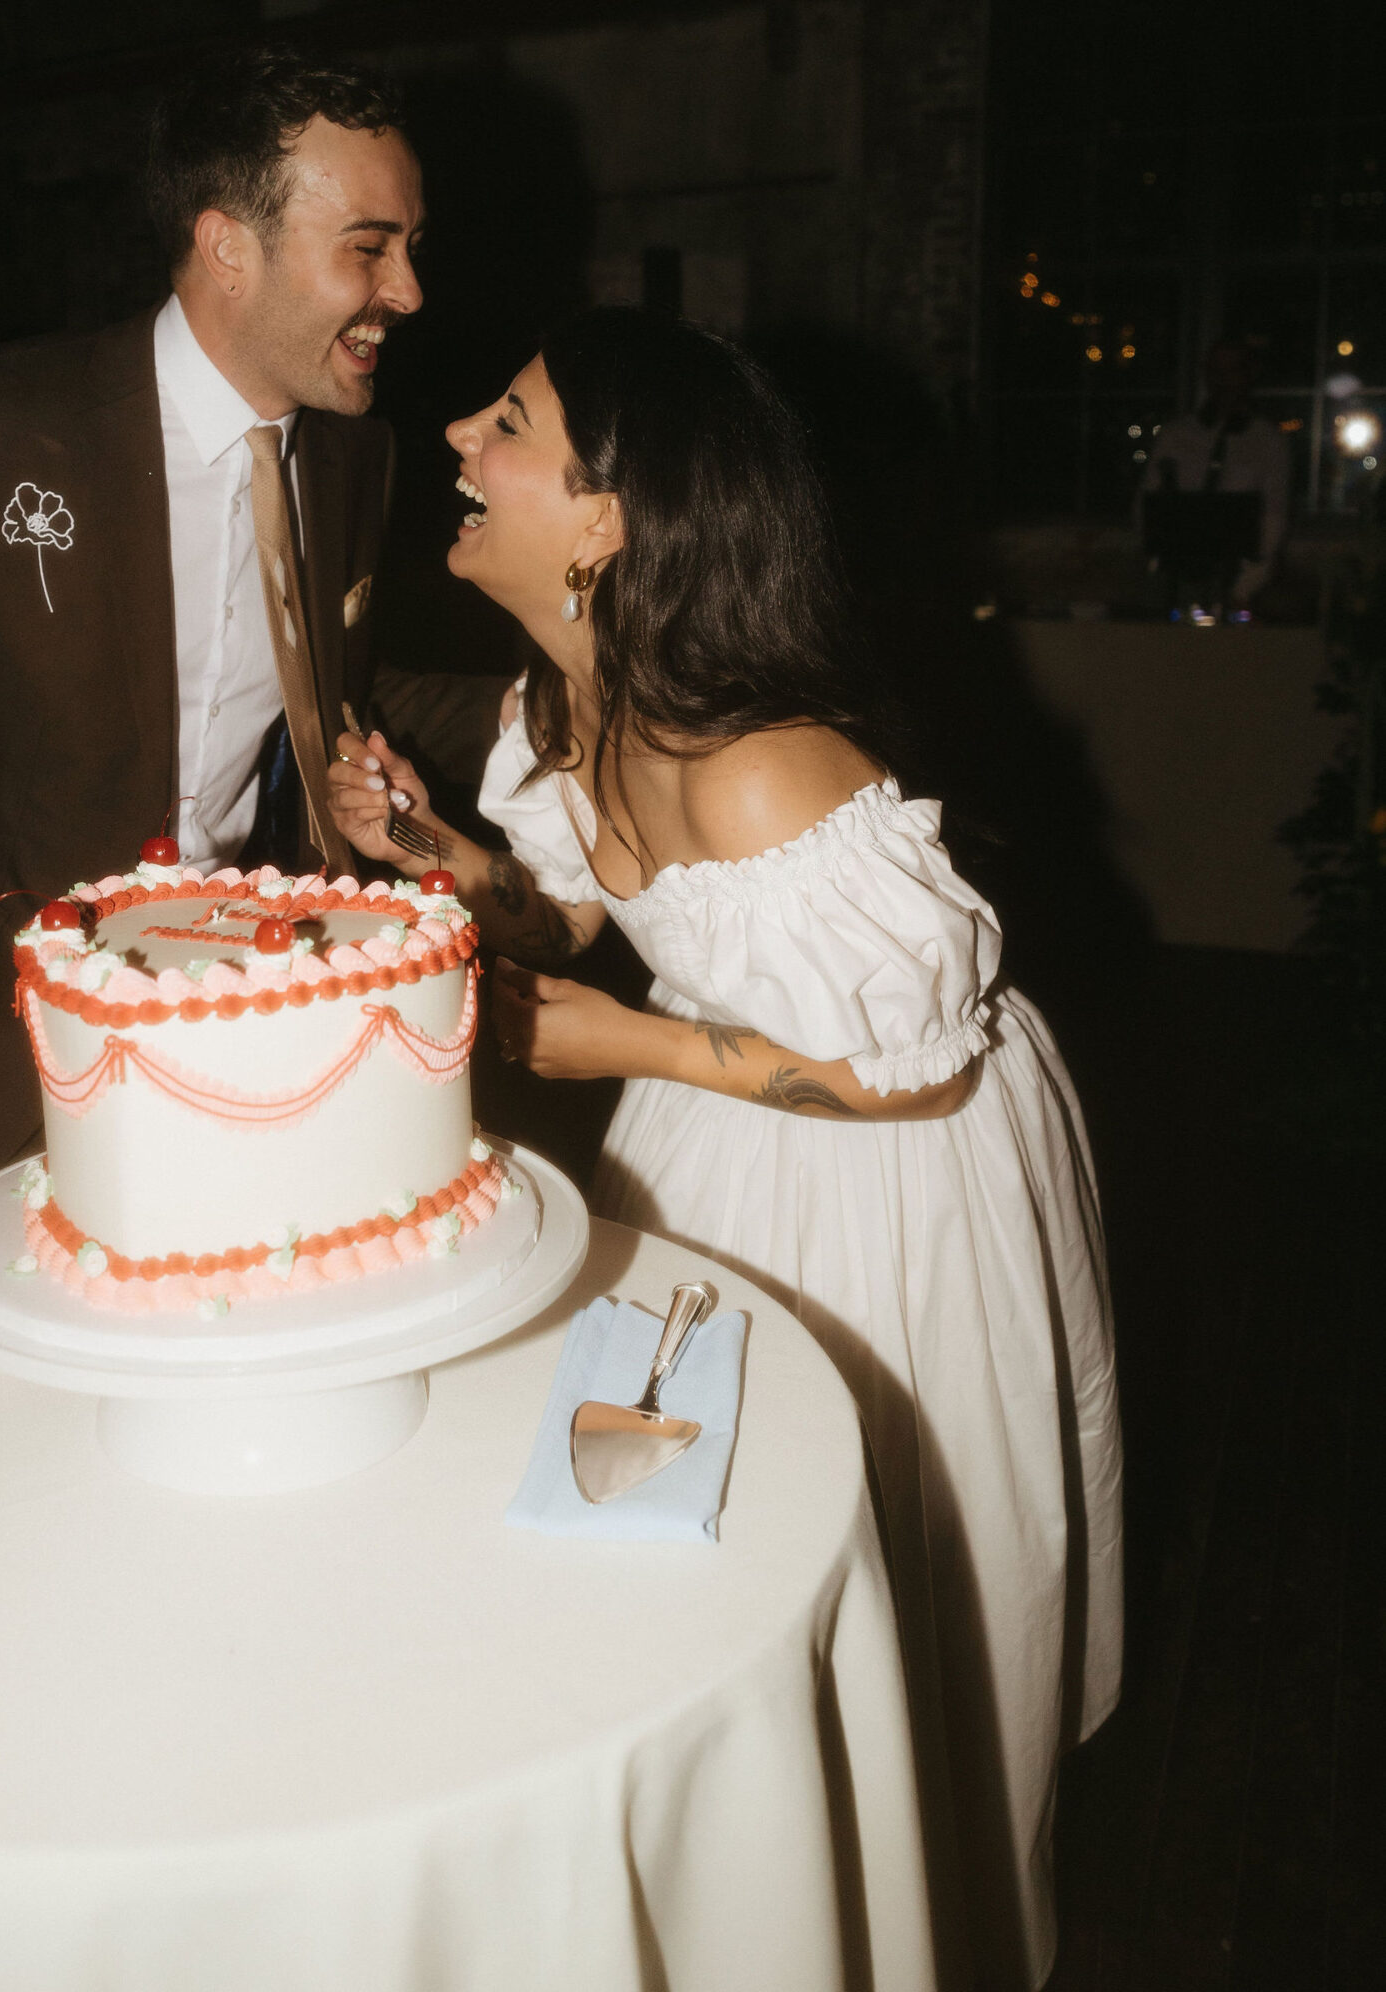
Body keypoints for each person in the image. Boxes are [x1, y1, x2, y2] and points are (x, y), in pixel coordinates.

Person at [328, 311, 1123, 1992]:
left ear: (605, 522)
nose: (461, 434)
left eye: (512, 421)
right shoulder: (575, 702)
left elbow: (908, 1070)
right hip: (723, 1111)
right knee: (662, 1517)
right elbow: (582, 915)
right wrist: (440, 852)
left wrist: (620, 1044)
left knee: (847, 1554)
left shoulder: (762, 773)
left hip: (885, 1172)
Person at [0, 49, 498, 1283]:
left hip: (209, 1050)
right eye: (370, 248)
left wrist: (587, 708)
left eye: (412, 246)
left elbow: (333, 699)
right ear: (230, 248)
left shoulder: (352, 461)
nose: (410, 289)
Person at [1145, 337, 1290, 610]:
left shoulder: (1268, 442)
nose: (1222, 382)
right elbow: (1148, 507)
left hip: (1239, 583)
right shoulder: (1176, 436)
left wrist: (1242, 591)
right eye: (1215, 373)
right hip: (1177, 581)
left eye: (1231, 372)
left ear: (1250, 375)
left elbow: (1273, 518)